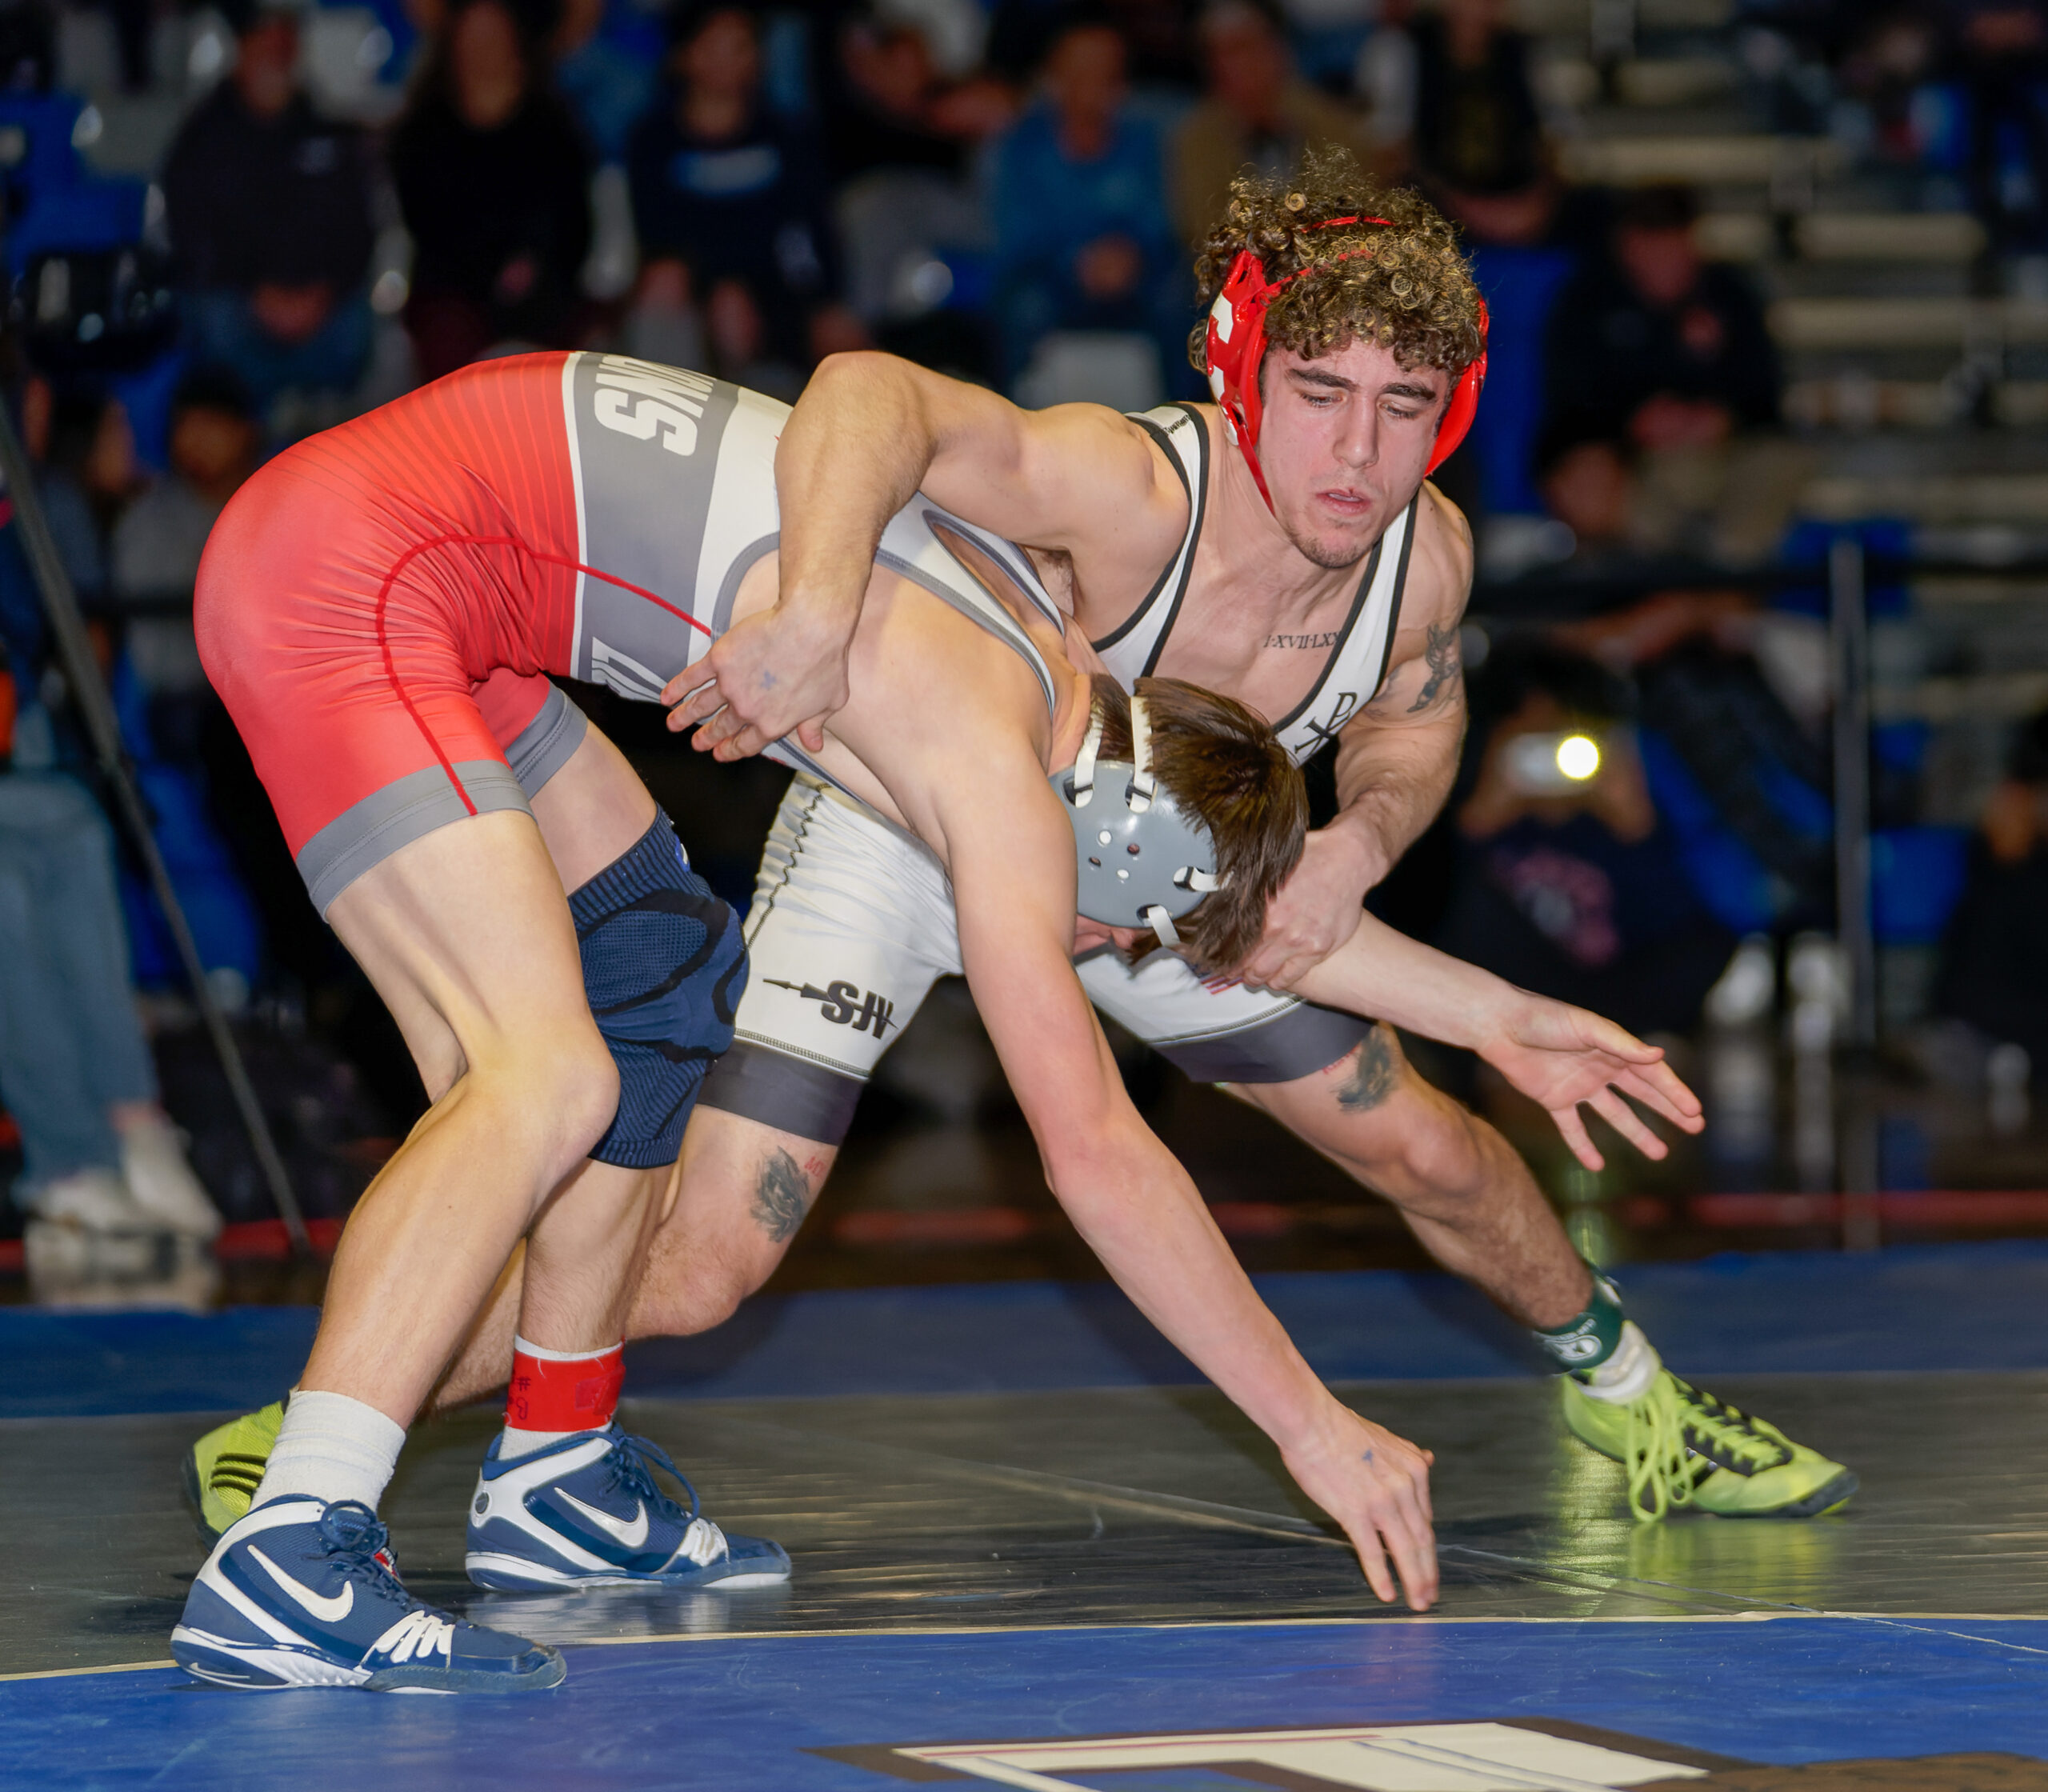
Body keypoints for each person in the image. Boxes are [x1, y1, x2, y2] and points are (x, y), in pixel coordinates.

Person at [173, 345, 1546, 1687]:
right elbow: (1097, 1155)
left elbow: (875, 416)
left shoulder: (1038, 631)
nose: (1106, 952)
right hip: (354, 567)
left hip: (448, 578)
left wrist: (1498, 1009)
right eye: (1128, 924)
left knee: (658, 971)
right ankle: (297, 1547)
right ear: (1121, 836)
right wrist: (1311, 1427)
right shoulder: (999, 774)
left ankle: (556, 1468)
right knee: (544, 1080)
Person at [672, 151, 1856, 1528]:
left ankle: (1636, 1396)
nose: (1358, 455)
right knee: (710, 1266)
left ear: (1451, 413)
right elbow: (868, 390)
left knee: (1432, 1149)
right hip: (909, 829)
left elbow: (1414, 731)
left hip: (1159, 873)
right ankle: (447, 1414)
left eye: (1403, 407)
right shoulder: (1129, 492)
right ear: (1246, 381)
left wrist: (1359, 841)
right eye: (1321, 395)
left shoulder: (1427, 561)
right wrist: (816, 609)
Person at [160, 0, 378, 427]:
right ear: (241, 42)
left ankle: (321, 424)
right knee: (212, 314)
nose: (276, 44)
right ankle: (252, 424)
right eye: (264, 32)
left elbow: (361, 228)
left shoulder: (327, 129)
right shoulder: (202, 137)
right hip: (243, 308)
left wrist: (320, 293)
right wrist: (258, 293)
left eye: (285, 31)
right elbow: (189, 235)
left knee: (360, 318)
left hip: (322, 306)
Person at [625, 2, 866, 389]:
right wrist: (719, 286)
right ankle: (666, 417)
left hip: (774, 309)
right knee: (663, 289)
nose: (727, 61)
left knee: (841, 338)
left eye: (739, 46)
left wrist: (798, 311)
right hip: (694, 309)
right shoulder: (653, 142)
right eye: (712, 47)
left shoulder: (787, 139)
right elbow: (658, 241)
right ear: (683, 56)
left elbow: (809, 241)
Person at [389, 0, 594, 381]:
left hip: (543, 290)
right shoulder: (423, 133)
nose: (484, 48)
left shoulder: (555, 128)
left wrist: (531, 264)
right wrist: (493, 271)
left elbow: (574, 226)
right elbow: (428, 226)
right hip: (452, 292)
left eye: (494, 36)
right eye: (473, 36)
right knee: (447, 334)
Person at [988, 7, 1184, 390]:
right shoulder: (1020, 146)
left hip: (1132, 275)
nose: (1096, 83)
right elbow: (1016, 234)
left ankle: (1182, 422)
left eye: (1107, 72)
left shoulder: (1143, 139)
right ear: (1054, 78)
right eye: (1082, 71)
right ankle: (1011, 418)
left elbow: (1160, 221)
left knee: (1180, 299)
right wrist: (1074, 261)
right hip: (1052, 278)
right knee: (1020, 307)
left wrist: (1131, 255)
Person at [1170, 0, 1374, 252]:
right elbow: (1204, 229)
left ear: (1277, 49)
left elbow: (1355, 206)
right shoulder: (1197, 139)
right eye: (1223, 53)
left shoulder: (1329, 122)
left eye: (1247, 47)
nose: (1239, 64)